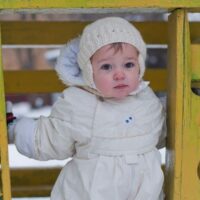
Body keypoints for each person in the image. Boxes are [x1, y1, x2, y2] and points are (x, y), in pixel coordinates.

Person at [7, 17, 166, 200]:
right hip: (90, 192)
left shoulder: (148, 101)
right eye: (106, 67)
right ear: (89, 72)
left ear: (139, 66)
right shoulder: (79, 104)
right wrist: (17, 129)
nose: (119, 74)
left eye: (128, 64)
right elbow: (50, 138)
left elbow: (165, 128)